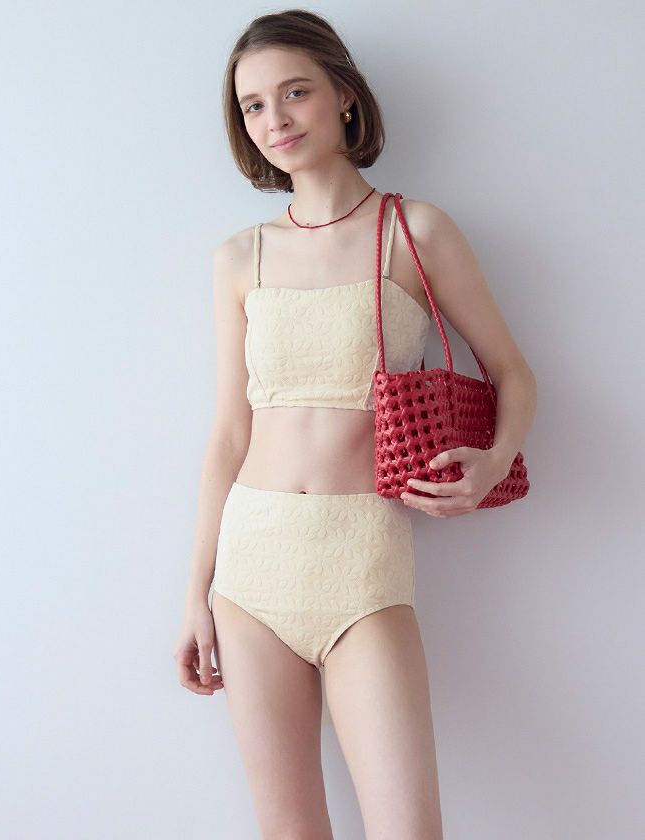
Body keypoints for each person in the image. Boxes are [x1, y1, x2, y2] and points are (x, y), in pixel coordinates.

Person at [173, 9, 537, 839]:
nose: (275, 119)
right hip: (252, 566)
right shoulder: (239, 257)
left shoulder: (415, 231)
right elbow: (228, 432)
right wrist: (195, 594)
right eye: (253, 105)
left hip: (363, 563)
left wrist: (493, 460)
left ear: (344, 95)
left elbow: (514, 373)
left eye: (294, 92)